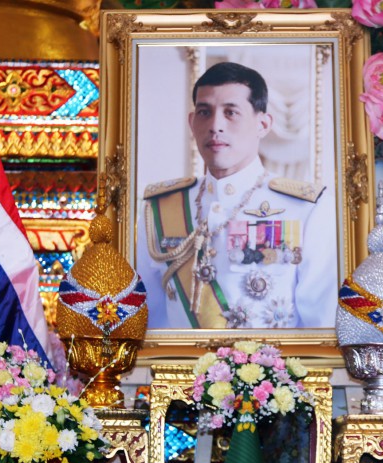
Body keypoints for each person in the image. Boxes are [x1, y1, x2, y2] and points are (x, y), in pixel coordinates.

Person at [138, 61, 337, 329]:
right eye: (205, 112)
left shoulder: (307, 208)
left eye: (231, 112)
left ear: (263, 124)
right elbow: (148, 319)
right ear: (192, 122)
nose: (215, 125)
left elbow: (322, 324)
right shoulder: (159, 208)